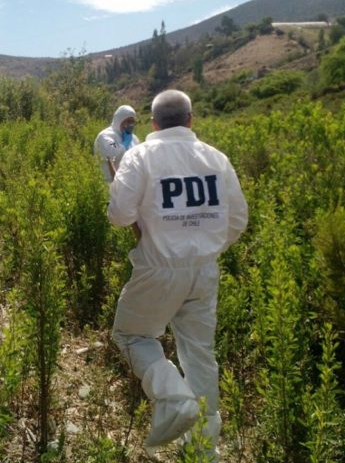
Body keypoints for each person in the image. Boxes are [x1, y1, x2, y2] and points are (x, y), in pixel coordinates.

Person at [108, 89, 248, 458]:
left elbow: (120, 215)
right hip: (204, 270)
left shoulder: (140, 156)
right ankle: (203, 448)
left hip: (158, 268)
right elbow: (237, 219)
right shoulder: (216, 158)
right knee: (200, 355)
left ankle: (173, 397)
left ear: (153, 123)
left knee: (132, 335)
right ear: (190, 120)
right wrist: (205, 247)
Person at [94, 105, 140, 182]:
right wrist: (124, 144)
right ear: (119, 120)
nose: (131, 124)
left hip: (131, 182)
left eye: (132, 121)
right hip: (110, 183)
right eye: (128, 121)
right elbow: (112, 152)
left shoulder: (133, 138)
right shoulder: (106, 136)